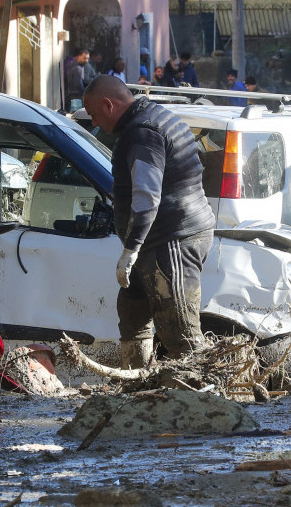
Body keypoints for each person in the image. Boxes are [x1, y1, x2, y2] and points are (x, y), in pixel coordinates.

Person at [81, 74, 217, 368]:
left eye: (93, 114)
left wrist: (131, 249)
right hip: (161, 239)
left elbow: (146, 195)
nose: (94, 122)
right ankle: (138, 386)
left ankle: (204, 400)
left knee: (179, 330)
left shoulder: (142, 132)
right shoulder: (151, 118)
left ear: (108, 104)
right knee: (132, 311)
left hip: (173, 239)